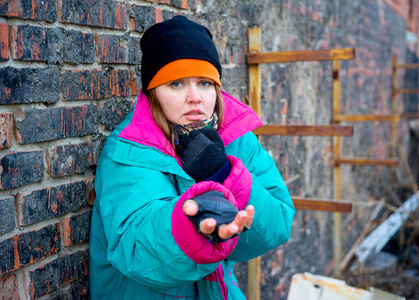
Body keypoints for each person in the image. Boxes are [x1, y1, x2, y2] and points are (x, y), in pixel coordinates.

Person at [89, 15, 295, 300]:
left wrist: (225, 175)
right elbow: (135, 251)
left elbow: (276, 226)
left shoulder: (235, 139)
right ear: (153, 93)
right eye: (176, 84)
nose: (195, 97)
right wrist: (195, 229)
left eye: (205, 82)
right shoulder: (130, 150)